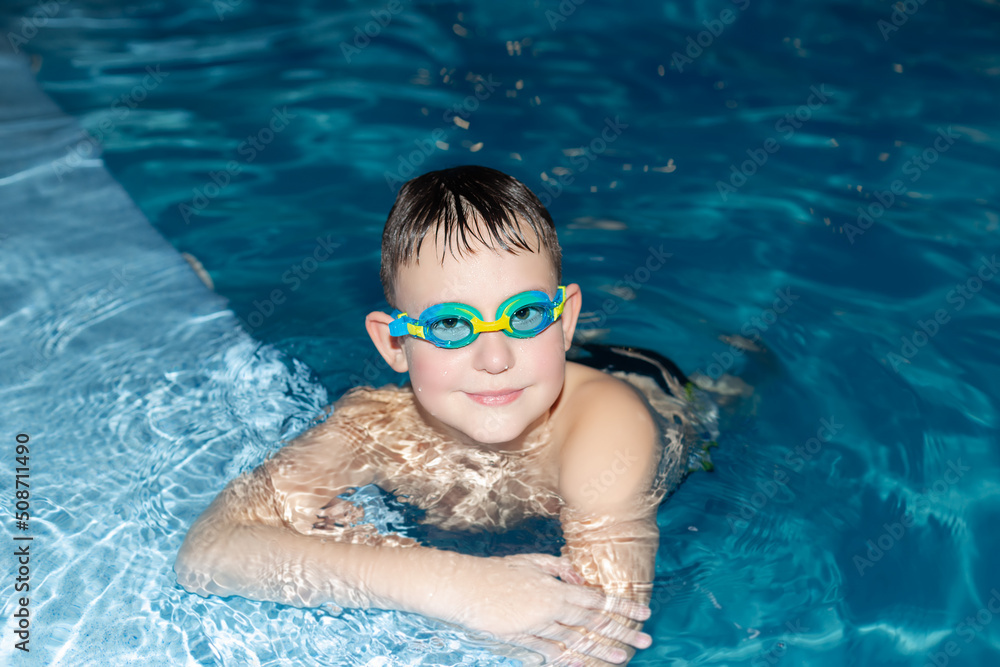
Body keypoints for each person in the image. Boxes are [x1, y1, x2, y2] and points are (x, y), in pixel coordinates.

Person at [175, 165, 713, 666]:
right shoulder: (374, 425)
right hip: (535, 377)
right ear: (394, 344)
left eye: (524, 313)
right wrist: (456, 586)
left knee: (716, 401)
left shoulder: (606, 431)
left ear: (564, 319)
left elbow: (601, 640)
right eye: (451, 325)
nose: (494, 358)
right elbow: (207, 553)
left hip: (650, 389)